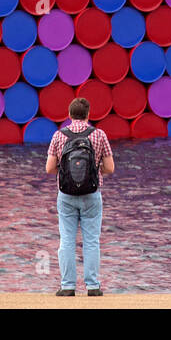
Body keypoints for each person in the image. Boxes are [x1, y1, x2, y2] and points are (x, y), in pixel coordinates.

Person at [45, 97, 115, 296]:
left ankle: (67, 287)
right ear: (88, 115)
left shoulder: (59, 135)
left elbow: (49, 168)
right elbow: (110, 168)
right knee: (91, 241)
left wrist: (65, 171)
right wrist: (94, 170)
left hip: (66, 195)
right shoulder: (99, 135)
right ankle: (92, 286)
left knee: (66, 240)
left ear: (69, 115)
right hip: (91, 194)